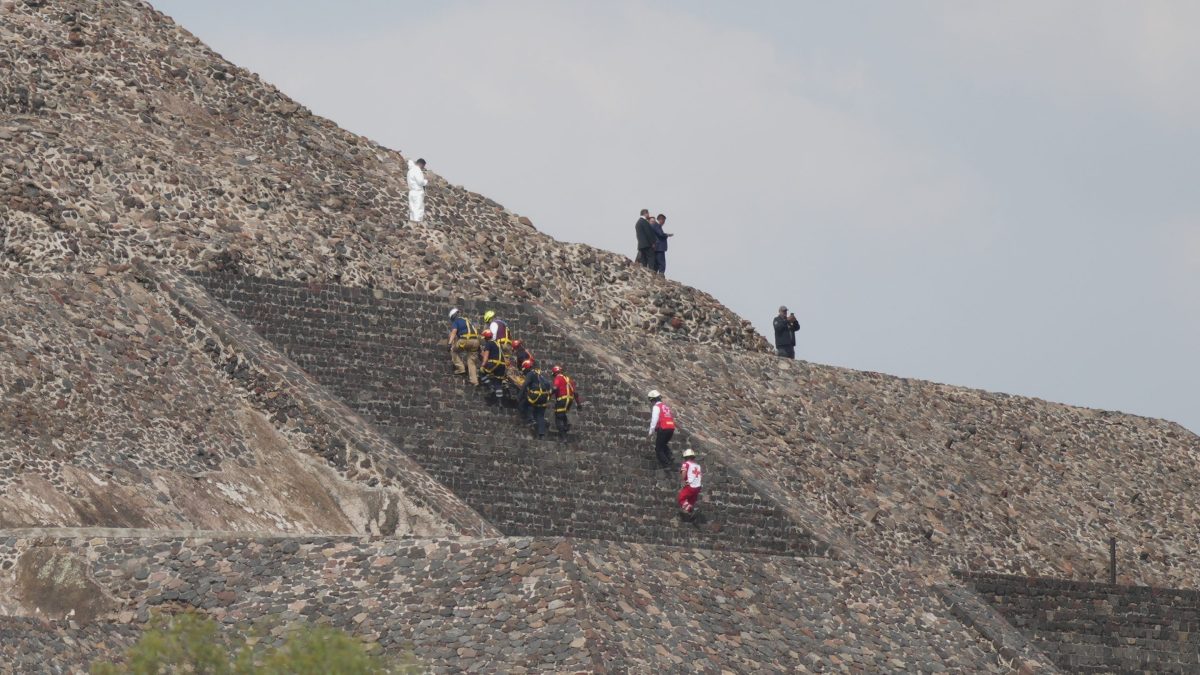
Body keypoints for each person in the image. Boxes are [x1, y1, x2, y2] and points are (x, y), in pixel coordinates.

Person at [519, 359, 552, 440]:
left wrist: (519, 395)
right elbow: (548, 384)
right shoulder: (540, 375)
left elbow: (525, 384)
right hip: (544, 398)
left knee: (524, 404)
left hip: (535, 396)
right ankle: (541, 434)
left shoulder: (530, 374)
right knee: (540, 415)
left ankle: (530, 420)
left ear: (526, 368)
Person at [550, 365, 584, 443]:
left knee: (558, 418)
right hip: (569, 401)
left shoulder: (558, 378)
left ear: (555, 373)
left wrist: (548, 395)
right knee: (562, 414)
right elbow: (575, 393)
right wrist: (578, 404)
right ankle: (566, 425)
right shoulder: (569, 380)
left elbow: (555, 388)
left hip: (562, 400)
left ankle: (563, 437)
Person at [447, 308, 479, 386]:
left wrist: (449, 343)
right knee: (471, 361)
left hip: (465, 341)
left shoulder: (456, 321)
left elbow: (454, 332)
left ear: (453, 317)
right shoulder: (467, 321)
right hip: (476, 342)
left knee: (453, 350)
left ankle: (460, 368)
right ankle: (474, 381)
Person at [646, 389, 676, 469]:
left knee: (658, 449)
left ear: (653, 400)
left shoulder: (656, 407)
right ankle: (670, 455)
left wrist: (650, 433)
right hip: (671, 428)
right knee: (663, 444)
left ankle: (667, 464)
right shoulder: (665, 406)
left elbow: (654, 421)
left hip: (663, 428)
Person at [479, 329, 507, 404]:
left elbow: (486, 357)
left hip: (494, 363)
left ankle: (490, 386)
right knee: (498, 382)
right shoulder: (498, 344)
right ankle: (500, 401)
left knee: (481, 373)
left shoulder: (489, 343)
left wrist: (483, 365)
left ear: (486, 338)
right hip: (502, 365)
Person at [678, 448, 703, 517]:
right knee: (690, 501)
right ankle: (690, 514)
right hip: (698, 487)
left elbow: (684, 472)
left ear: (686, 457)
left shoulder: (686, 464)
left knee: (681, 499)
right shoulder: (698, 466)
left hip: (690, 486)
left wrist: (682, 480)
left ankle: (692, 509)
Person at [407, 158, 428, 222]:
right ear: (421, 164)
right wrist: (425, 181)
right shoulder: (417, 170)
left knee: (412, 209)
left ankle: (412, 222)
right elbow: (420, 182)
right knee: (418, 208)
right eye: (423, 166)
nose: (423, 168)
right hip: (417, 192)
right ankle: (417, 223)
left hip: (411, 192)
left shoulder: (410, 171)